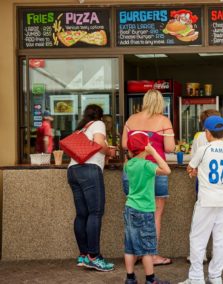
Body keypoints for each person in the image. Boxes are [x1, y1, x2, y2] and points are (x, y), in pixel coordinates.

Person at [122, 89, 175, 266]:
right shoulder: (163, 120)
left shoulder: (131, 119)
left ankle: (136, 254)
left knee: (134, 213)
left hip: (131, 172)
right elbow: (169, 148)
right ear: (161, 103)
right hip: (154, 170)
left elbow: (124, 145)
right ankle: (151, 255)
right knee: (155, 215)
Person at [179, 116, 223, 284]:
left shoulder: (204, 149)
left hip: (206, 200)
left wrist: (193, 172)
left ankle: (196, 278)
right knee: (219, 240)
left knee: (197, 239)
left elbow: (190, 167)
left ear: (207, 133)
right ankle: (216, 277)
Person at [67, 104, 114, 272]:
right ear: (100, 116)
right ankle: (94, 257)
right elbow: (100, 145)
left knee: (82, 214)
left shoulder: (81, 129)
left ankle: (83, 255)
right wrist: (109, 152)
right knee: (95, 213)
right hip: (89, 171)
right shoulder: (98, 124)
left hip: (73, 171)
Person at [124, 131, 171, 284]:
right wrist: (154, 153)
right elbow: (166, 170)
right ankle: (151, 279)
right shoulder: (147, 165)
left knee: (130, 246)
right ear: (146, 147)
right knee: (147, 248)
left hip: (130, 208)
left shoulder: (128, 164)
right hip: (144, 211)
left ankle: (130, 278)